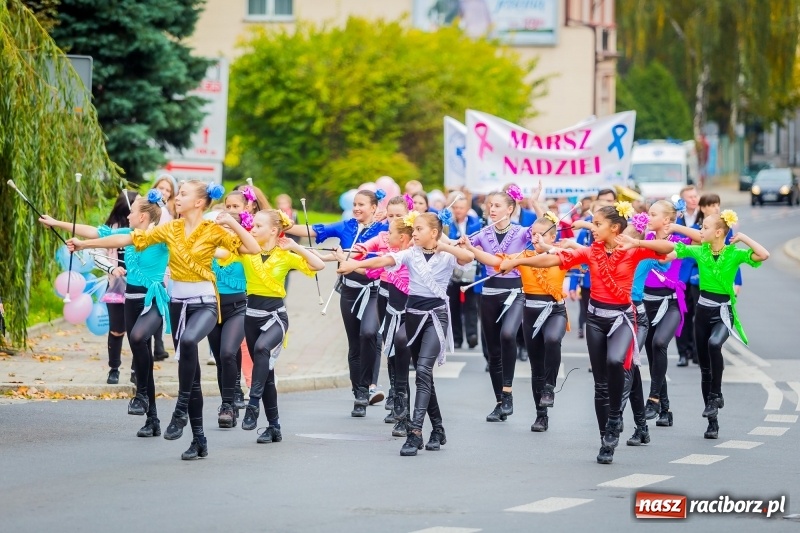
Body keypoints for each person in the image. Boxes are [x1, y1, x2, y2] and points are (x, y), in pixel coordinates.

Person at [68, 180, 260, 460]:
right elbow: (129, 238)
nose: (176, 198)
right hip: (178, 305)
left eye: (183, 194)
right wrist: (86, 243)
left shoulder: (213, 230)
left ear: (198, 202)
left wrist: (235, 224)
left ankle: (180, 408)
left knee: (191, 341)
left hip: (205, 303)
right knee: (191, 373)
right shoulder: (170, 229)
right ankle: (199, 440)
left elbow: (252, 248)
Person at [500, 203, 674, 464]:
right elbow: (554, 259)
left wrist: (639, 245)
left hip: (622, 319)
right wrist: (520, 260)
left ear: (614, 228)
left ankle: (615, 418)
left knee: (616, 361)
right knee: (601, 384)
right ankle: (606, 439)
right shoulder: (591, 252)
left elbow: (667, 248)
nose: (592, 228)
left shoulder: (633, 250)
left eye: (597, 224)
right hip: (595, 320)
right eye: (592, 223)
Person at [338, 211, 474, 456]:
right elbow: (383, 261)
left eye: (419, 229)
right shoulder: (411, 254)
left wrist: (445, 245)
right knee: (425, 377)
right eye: (414, 229)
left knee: (423, 371)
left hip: (436, 317)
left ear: (433, 232)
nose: (415, 234)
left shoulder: (446, 254)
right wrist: (356, 264)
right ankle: (439, 428)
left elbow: (468, 257)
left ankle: (415, 432)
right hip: (412, 316)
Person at [39, 191, 170, 437]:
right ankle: (152, 417)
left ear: (142, 216)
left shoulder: (159, 237)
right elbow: (97, 232)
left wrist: (84, 246)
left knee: (141, 339)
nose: (127, 214)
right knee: (142, 354)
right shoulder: (127, 232)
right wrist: (57, 223)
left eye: (131, 212)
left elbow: (107, 241)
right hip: (131, 299)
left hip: (153, 300)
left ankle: (141, 393)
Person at [218, 209, 323, 443]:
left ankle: (253, 404)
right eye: (252, 226)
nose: (252, 230)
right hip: (251, 317)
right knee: (267, 374)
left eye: (257, 226)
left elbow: (317, 265)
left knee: (262, 349)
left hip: (275, 317)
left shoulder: (285, 255)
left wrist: (295, 247)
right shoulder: (246, 251)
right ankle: (274, 426)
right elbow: (220, 252)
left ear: (274, 230)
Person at [286, 189, 388, 417]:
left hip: (373, 291)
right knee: (354, 343)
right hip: (349, 291)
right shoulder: (346, 226)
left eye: (362, 204)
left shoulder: (384, 229)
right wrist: (284, 225)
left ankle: (370, 384)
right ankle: (359, 394)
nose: (357, 208)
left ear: (374, 207)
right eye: (355, 204)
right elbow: (312, 230)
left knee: (369, 333)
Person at [668, 211, 769, 440]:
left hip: (723, 312)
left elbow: (763, 254)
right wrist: (671, 233)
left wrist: (742, 237)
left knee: (715, 343)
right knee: (705, 369)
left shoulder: (734, 254)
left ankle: (716, 395)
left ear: (718, 232)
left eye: (704, 228)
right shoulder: (700, 250)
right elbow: (675, 252)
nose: (700, 231)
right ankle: (712, 420)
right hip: (702, 312)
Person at [471, 213, 567, 432]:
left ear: (552, 237)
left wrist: (547, 248)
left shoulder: (561, 254)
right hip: (531, 312)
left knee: (553, 339)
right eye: (532, 235)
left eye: (541, 235)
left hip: (555, 311)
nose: (535, 239)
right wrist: (473, 250)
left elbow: (570, 256)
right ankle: (541, 416)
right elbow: (497, 261)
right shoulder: (524, 254)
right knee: (536, 368)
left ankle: (550, 387)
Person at [464, 185, 528, 422]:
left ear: (510, 209)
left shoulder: (522, 232)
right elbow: (465, 253)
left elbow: (546, 236)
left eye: (497, 205)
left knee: (508, 335)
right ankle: (500, 402)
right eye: (490, 205)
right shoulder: (482, 233)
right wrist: (458, 245)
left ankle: (508, 392)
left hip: (516, 293)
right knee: (493, 352)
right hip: (489, 294)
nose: (492, 209)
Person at [352, 194, 411, 407]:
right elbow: (363, 250)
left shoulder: (414, 241)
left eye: (399, 216)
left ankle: (400, 393)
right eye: (391, 215)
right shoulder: (384, 236)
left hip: (407, 297)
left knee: (402, 344)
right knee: (389, 344)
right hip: (385, 294)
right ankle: (395, 391)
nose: (394, 220)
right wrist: (357, 252)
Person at [674, 193, 742, 366]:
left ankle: (698, 352)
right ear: (703, 208)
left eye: (717, 204)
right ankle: (684, 352)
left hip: (704, 277)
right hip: (685, 273)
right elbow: (682, 247)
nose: (716, 208)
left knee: (700, 315)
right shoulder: (695, 225)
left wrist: (737, 281)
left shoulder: (721, 228)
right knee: (683, 314)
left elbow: (731, 257)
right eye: (712, 205)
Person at [640, 200, 692, 427]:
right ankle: (666, 409)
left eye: (653, 214)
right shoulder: (646, 240)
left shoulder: (680, 241)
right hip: (646, 302)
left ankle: (652, 399)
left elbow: (703, 238)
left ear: (667, 219)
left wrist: (677, 227)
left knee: (660, 343)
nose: (648, 217)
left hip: (670, 303)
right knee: (653, 355)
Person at [361, 217, 414, 434]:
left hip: (413, 316)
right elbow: (372, 268)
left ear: (401, 236)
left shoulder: (414, 255)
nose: (386, 234)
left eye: (390, 232)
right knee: (394, 360)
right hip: (393, 312)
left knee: (415, 367)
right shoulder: (392, 254)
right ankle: (402, 413)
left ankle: (422, 420)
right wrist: (349, 260)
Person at [207, 190, 253, 429]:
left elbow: (255, 246)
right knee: (221, 358)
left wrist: (236, 228)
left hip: (238, 307)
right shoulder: (210, 247)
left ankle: (227, 405)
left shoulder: (242, 247)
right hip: (212, 307)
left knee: (228, 352)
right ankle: (231, 397)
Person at [446, 192, 482, 349]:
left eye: (461, 207)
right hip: (452, 269)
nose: (458, 210)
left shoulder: (476, 223)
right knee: (453, 304)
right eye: (455, 207)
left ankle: (472, 335)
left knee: (471, 304)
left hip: (471, 268)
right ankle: (457, 337)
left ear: (467, 208)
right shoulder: (447, 225)